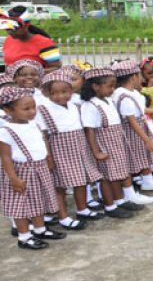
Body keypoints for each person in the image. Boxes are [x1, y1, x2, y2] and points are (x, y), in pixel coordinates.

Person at [37, 70, 104, 228]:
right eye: (55, 93)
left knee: (81, 181)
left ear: (71, 90)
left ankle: (82, 209)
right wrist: (49, 157)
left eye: (64, 91)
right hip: (59, 151)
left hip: (78, 148)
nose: (60, 96)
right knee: (59, 185)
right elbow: (44, 136)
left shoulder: (75, 104)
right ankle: (63, 217)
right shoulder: (44, 109)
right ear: (47, 93)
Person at [0, 87, 64, 250]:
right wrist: (13, 178)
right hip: (20, 172)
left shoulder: (33, 124)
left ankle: (40, 229)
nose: (31, 112)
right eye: (26, 109)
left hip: (39, 167)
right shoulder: (6, 131)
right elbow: (5, 157)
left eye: (33, 107)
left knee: (38, 200)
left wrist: (48, 158)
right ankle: (24, 237)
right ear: (8, 110)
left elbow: (40, 142)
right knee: (21, 205)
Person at [80, 68, 139, 219]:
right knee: (106, 177)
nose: (113, 89)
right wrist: (96, 152)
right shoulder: (90, 105)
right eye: (109, 86)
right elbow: (90, 130)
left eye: (114, 86)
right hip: (104, 144)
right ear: (95, 87)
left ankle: (119, 200)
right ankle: (109, 206)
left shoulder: (107, 101)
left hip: (116, 142)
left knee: (117, 174)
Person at [111, 61, 153, 198]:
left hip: (140, 128)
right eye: (139, 75)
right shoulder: (123, 95)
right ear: (133, 77)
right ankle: (129, 191)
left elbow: (141, 110)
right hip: (133, 132)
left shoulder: (132, 93)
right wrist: (147, 140)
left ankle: (148, 180)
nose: (141, 78)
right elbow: (132, 120)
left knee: (144, 156)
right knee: (134, 159)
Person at [0, 6, 62, 71]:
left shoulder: (45, 43)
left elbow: (56, 68)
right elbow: (8, 65)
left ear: (26, 26)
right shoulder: (8, 40)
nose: (9, 31)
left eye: (13, 27)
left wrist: (31, 74)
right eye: (7, 28)